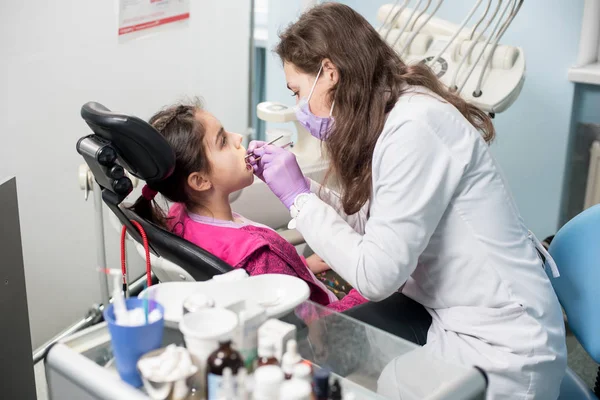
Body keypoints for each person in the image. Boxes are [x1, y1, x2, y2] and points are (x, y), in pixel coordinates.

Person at [247, 3, 566, 399]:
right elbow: (371, 226)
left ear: (329, 73)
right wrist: (301, 189)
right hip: (456, 317)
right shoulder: (391, 114)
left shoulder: (415, 128)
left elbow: (377, 275)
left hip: (505, 348)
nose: (300, 109)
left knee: (382, 385)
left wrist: (298, 198)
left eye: (298, 91)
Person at [130, 100, 367, 312]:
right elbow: (318, 329)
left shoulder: (180, 216)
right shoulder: (257, 257)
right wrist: (368, 293)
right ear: (200, 181)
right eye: (223, 141)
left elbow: (273, 275)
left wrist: (301, 266)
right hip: (330, 321)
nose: (238, 138)